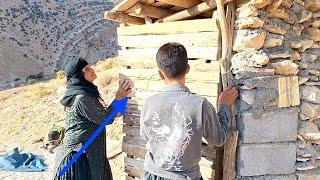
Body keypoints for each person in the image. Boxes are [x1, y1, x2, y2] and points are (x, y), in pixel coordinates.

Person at [140, 43, 238, 180]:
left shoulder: (149, 103)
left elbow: (145, 136)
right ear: (188, 68)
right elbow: (218, 138)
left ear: (160, 74)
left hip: (152, 174)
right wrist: (224, 106)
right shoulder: (200, 105)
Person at [52, 58, 131, 180]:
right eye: (87, 69)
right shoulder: (81, 97)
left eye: (90, 67)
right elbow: (106, 119)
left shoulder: (86, 93)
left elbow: (113, 114)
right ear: (78, 75)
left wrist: (123, 99)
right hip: (78, 160)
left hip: (89, 154)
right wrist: (118, 97)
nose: (92, 70)